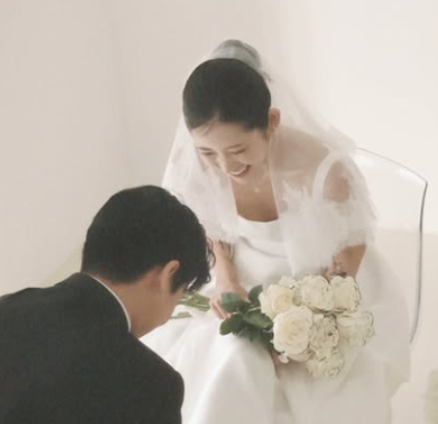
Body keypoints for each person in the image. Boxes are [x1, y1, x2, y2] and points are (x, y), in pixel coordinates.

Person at [142, 40, 411, 424]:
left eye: (238, 150)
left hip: (319, 278)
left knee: (314, 391)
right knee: (223, 355)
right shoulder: (194, 163)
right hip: (239, 274)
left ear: (271, 121)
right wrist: (226, 280)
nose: (225, 166)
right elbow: (210, 226)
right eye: (208, 153)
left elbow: (353, 243)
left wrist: (314, 316)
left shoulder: (324, 170)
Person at [0, 185, 213, 424]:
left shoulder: (7, 310)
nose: (167, 317)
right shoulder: (151, 386)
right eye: (179, 296)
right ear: (167, 275)